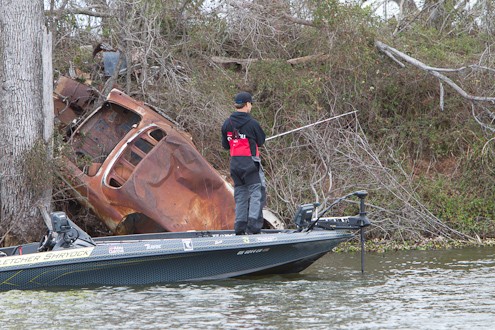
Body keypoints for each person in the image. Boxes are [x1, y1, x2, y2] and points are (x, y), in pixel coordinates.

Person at [221, 92, 266, 235]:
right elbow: (261, 141)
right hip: (250, 163)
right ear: (247, 104)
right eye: (251, 104)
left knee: (240, 195)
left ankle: (239, 228)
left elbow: (226, 145)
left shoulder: (227, 123)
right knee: (257, 193)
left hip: (235, 165)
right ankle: (254, 227)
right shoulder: (252, 124)